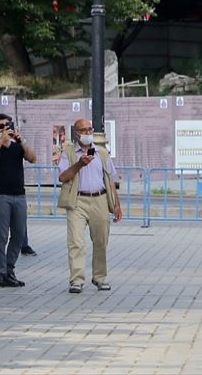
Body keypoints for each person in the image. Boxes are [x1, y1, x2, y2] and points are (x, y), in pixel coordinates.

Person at [57, 119, 121, 293]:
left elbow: (110, 179)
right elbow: (62, 177)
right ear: (76, 133)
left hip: (99, 198)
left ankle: (100, 277)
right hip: (77, 200)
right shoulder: (68, 152)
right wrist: (80, 164)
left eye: (89, 129)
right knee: (76, 241)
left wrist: (116, 205)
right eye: (83, 130)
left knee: (101, 240)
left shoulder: (101, 152)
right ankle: (76, 280)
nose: (87, 133)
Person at [0, 113, 36, 287]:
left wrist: (22, 140)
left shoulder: (17, 146)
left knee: (19, 234)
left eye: (8, 125)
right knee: (0, 236)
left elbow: (32, 158)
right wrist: (0, 140)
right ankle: (0, 274)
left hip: (19, 195)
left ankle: (9, 269)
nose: (5, 128)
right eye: (1, 126)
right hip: (0, 195)